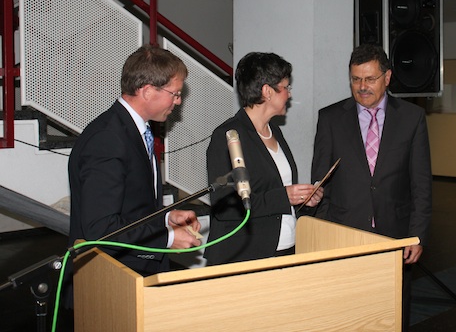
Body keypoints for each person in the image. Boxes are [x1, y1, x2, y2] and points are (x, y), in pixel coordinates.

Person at [66, 44, 201, 303]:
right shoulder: (107, 139)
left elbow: (131, 206)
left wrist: (166, 217)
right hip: (111, 283)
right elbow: (101, 229)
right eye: (175, 94)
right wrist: (168, 238)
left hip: (135, 273)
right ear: (147, 91)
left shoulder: (134, 130)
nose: (178, 101)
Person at [311, 43, 432, 331]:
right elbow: (321, 184)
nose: (362, 86)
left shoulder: (412, 118)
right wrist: (324, 233)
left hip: (394, 235)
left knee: (391, 312)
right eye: (355, 79)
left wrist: (417, 235)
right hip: (344, 234)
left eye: (370, 79)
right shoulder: (330, 118)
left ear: (387, 77)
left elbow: (421, 184)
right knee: (347, 314)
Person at [205, 52, 323, 265]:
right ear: (268, 91)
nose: (289, 95)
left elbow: (278, 193)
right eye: (286, 87)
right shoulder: (228, 135)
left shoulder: (274, 131)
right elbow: (225, 206)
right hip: (245, 256)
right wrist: (284, 197)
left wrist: (304, 200)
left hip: (285, 249)